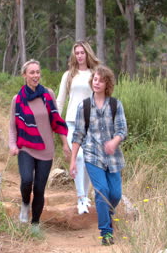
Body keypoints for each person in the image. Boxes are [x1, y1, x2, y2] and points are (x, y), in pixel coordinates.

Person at [9, 59, 71, 234]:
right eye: (32, 72)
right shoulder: (17, 99)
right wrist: (13, 145)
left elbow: (57, 121)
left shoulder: (48, 94)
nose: (36, 75)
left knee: (39, 189)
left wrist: (65, 144)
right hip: (25, 147)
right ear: (24, 75)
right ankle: (24, 203)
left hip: (46, 150)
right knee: (27, 180)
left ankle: (35, 224)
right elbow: (12, 126)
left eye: (38, 72)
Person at [69, 65, 127, 246]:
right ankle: (106, 233)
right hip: (92, 155)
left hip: (113, 158)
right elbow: (78, 135)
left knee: (115, 194)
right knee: (102, 192)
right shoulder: (84, 106)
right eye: (95, 79)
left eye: (101, 80)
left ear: (107, 83)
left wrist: (114, 142)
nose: (97, 82)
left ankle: (107, 214)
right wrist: (73, 162)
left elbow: (122, 130)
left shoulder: (116, 105)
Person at [56, 41, 100, 215]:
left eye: (82, 52)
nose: (80, 56)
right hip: (72, 122)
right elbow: (60, 99)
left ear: (87, 53)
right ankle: (81, 197)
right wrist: (56, 121)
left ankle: (86, 196)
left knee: (89, 160)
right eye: (77, 53)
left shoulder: (95, 74)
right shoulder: (68, 75)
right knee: (79, 157)